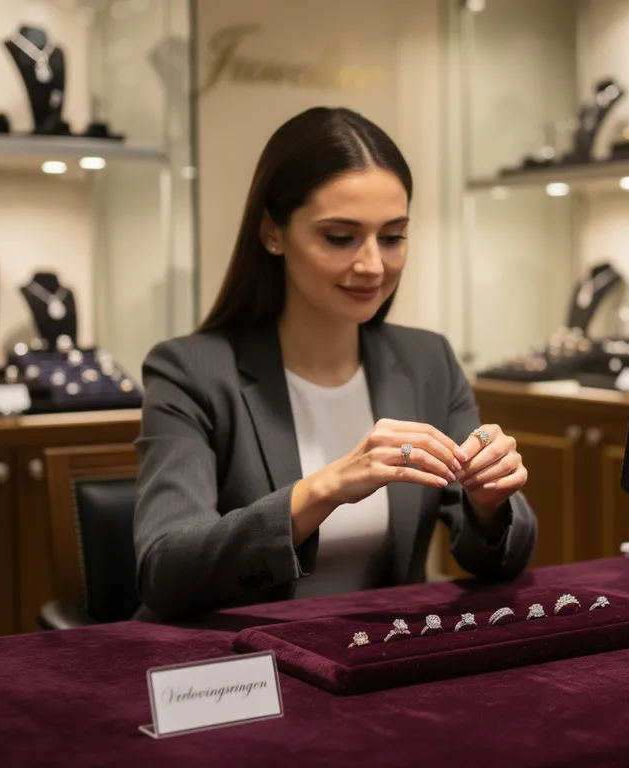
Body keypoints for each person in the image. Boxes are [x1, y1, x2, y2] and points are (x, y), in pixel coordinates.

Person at [133, 107, 537, 622]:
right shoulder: (190, 372)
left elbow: (502, 560)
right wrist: (323, 490)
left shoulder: (427, 361)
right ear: (272, 232)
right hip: (242, 661)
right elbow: (165, 570)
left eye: (392, 237)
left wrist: (489, 501)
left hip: (379, 653)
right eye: (340, 238)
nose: (373, 264)